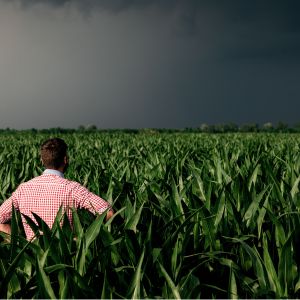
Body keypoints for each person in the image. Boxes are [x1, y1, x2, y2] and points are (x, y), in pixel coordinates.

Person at [0, 137, 113, 240]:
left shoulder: (23, 189)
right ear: (65, 160)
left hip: (34, 259)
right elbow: (108, 212)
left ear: (42, 160)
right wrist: (86, 239)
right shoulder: (73, 189)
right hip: (66, 258)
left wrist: (17, 243)